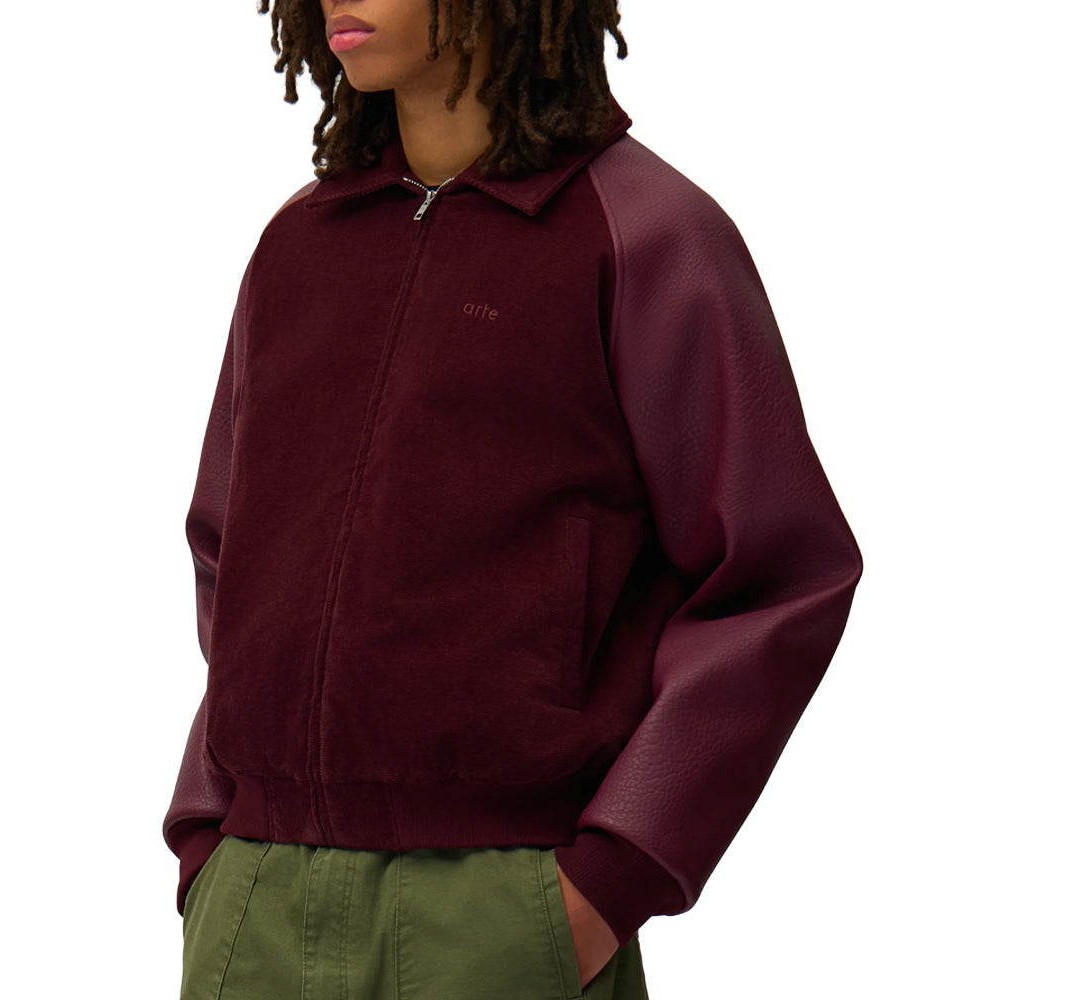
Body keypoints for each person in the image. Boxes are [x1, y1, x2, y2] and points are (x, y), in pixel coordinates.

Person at [163, 0, 863, 996]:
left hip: (497, 909)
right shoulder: (299, 245)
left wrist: (612, 879)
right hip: (255, 902)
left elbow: (776, 577)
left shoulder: (644, 234)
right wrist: (209, 834)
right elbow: (229, 556)